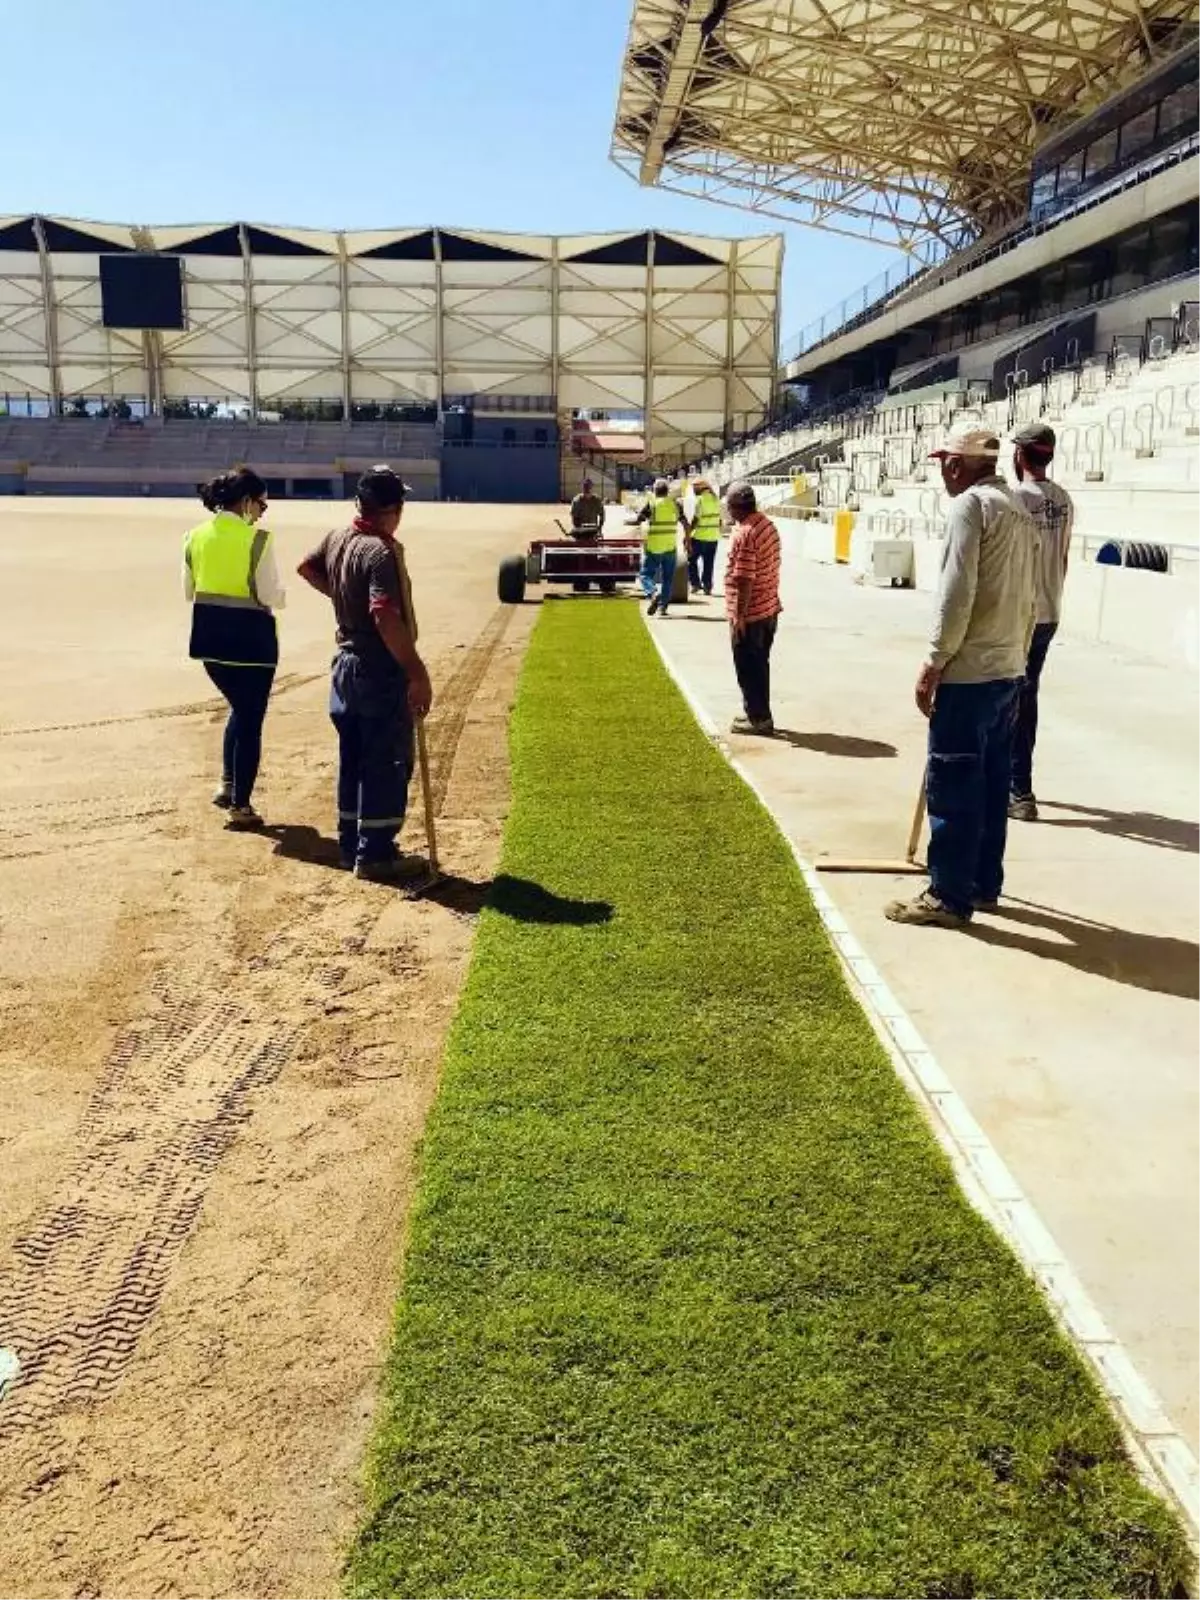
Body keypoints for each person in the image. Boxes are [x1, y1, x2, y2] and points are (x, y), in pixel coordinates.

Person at [886, 424, 1038, 929]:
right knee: (992, 783)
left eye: (944, 464)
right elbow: (1029, 597)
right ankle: (981, 882)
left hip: (970, 671)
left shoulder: (970, 507)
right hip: (1007, 669)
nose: (943, 473)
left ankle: (949, 894)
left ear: (955, 464)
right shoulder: (1018, 508)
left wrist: (935, 660)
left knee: (953, 780)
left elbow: (957, 592)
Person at [297, 467, 433, 883]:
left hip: (346, 666)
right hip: (377, 669)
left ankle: (351, 843)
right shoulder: (380, 552)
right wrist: (415, 671)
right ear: (393, 510)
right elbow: (384, 614)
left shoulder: (338, 539)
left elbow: (307, 567)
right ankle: (375, 854)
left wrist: (342, 597)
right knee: (386, 761)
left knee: (353, 759)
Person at [183, 466, 284, 830]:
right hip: (252, 642)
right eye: (261, 505)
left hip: (209, 641)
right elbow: (270, 593)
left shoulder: (194, 536)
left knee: (238, 711)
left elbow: (187, 589)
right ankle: (240, 804)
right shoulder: (258, 540)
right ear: (245, 502)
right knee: (250, 719)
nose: (261, 513)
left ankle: (227, 785)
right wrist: (280, 597)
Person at [1009, 422, 1074, 822]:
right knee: (1026, 695)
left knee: (1011, 699)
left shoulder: (1016, 500)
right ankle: (1017, 785)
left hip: (1021, 614)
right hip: (1049, 609)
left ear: (1019, 455)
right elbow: (1063, 558)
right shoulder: (1064, 499)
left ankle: (1018, 789)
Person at [724, 481, 782, 736]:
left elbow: (744, 578)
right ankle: (759, 713)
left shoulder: (745, 533)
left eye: (729, 505)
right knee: (760, 664)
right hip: (768, 608)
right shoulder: (766, 524)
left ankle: (758, 718)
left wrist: (739, 616)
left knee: (748, 667)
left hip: (752, 613)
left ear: (736, 508)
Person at [634, 478, 686, 616]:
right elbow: (685, 522)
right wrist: (688, 539)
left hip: (654, 547)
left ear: (655, 491)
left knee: (645, 575)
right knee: (668, 578)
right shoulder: (675, 505)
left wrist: (642, 518)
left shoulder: (652, 504)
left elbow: (639, 518)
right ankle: (663, 608)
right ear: (667, 491)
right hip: (670, 546)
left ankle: (652, 593)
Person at [687, 477, 723, 595]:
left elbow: (696, 519)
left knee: (691, 560)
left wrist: (688, 532)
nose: (693, 491)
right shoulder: (716, 499)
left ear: (700, 487)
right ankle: (707, 586)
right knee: (709, 563)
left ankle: (695, 584)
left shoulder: (700, 500)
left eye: (694, 488)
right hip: (713, 538)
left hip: (700, 537)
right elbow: (720, 521)